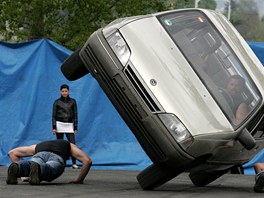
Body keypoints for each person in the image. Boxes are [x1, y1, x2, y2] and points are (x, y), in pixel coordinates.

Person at [6, 139, 92, 185]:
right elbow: (87, 161)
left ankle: (19, 168)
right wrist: (79, 180)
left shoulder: (39, 145)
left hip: (40, 153)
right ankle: (39, 168)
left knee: (32, 163)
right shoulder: (69, 145)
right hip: (57, 157)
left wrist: (24, 176)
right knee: (50, 168)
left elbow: (12, 153)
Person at [52, 84, 79, 169]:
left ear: (68, 91)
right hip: (59, 124)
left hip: (69, 125)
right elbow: (54, 115)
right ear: (60, 92)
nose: (64, 93)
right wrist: (54, 127)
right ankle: (60, 163)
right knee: (59, 145)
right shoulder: (57, 102)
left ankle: (74, 163)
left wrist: (75, 127)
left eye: (66, 91)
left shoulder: (73, 101)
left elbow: (75, 114)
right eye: (63, 91)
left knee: (72, 144)